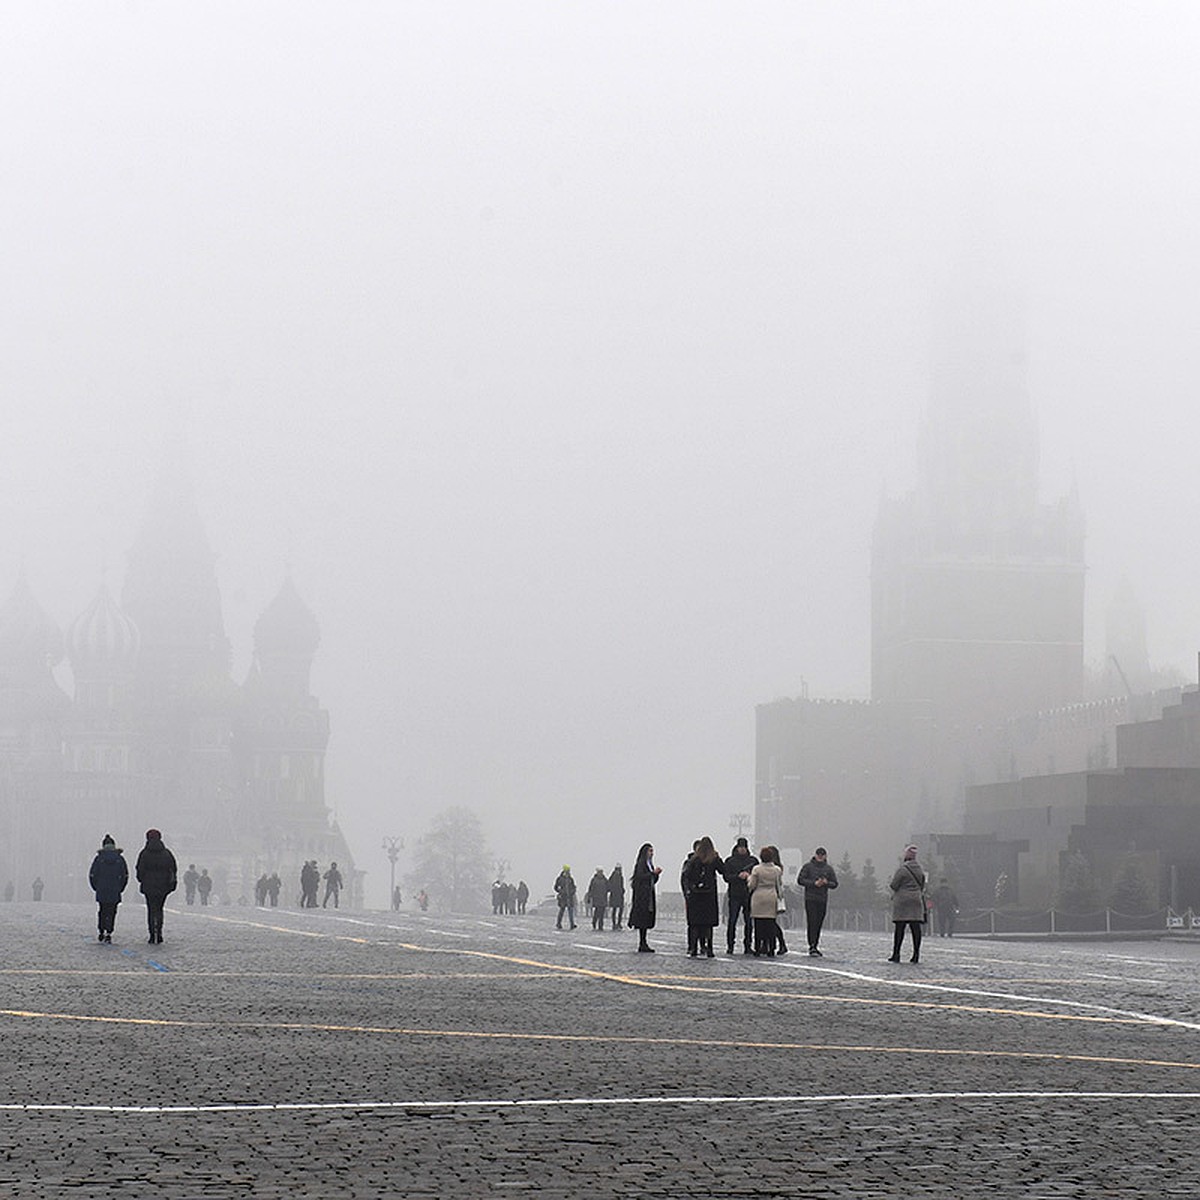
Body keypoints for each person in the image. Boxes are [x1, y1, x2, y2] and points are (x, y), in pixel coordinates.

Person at [682, 836, 724, 957]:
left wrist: (691, 888)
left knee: (696, 923)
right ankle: (709, 948)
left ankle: (694, 948)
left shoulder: (694, 859)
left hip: (696, 895)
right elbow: (723, 871)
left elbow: (687, 875)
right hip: (709, 895)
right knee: (708, 924)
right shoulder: (713, 859)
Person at [135, 828, 177, 945]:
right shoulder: (166, 853)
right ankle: (159, 932)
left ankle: (152, 934)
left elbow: (139, 869)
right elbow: (173, 868)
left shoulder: (144, 853)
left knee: (151, 909)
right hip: (163, 885)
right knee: (159, 909)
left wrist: (142, 880)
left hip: (149, 885)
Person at [796, 846, 838, 957]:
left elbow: (835, 884)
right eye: (818, 855)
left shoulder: (829, 869)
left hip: (822, 899)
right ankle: (812, 945)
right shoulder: (808, 867)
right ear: (815, 855)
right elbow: (800, 880)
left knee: (819, 922)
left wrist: (826, 883)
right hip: (810, 898)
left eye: (822, 855)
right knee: (812, 921)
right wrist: (814, 883)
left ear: (825, 856)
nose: (820, 857)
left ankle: (815, 943)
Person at [888, 845, 927, 964]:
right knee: (916, 928)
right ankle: (916, 954)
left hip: (903, 901)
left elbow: (894, 885)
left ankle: (896, 953)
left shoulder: (902, 870)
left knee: (900, 928)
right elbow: (922, 885)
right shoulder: (920, 870)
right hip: (916, 900)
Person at [89, 834, 128, 943]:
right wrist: (121, 888)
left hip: (102, 889)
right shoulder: (120, 859)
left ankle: (101, 929)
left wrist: (96, 887)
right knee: (112, 911)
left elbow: (93, 874)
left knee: (102, 910)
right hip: (115, 889)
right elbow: (125, 875)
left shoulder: (99, 859)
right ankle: (109, 931)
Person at [746, 846, 784, 956]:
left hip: (758, 897)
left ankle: (758, 948)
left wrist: (749, 878)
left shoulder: (756, 869)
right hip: (771, 897)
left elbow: (752, 885)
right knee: (771, 924)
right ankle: (771, 948)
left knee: (759, 925)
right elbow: (779, 884)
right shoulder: (777, 870)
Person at [723, 837, 758, 954]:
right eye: (740, 847)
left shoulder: (753, 861)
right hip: (735, 894)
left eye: (744, 847)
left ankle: (748, 945)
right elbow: (726, 877)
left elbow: (757, 876)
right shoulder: (730, 861)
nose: (742, 849)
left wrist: (748, 876)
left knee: (749, 922)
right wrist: (737, 876)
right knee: (732, 920)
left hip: (748, 894)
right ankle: (730, 945)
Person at [628, 843, 662, 952]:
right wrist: (652, 873)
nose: (652, 853)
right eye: (650, 851)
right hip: (642, 896)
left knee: (647, 918)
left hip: (649, 894)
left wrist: (656, 875)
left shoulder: (650, 864)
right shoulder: (641, 864)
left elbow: (652, 881)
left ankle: (644, 942)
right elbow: (640, 877)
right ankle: (642, 943)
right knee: (642, 919)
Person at [554, 865, 577, 930]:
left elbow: (573, 887)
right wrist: (560, 891)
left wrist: (572, 891)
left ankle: (572, 924)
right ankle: (558, 923)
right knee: (562, 911)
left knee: (570, 911)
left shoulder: (571, 879)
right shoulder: (560, 879)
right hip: (563, 898)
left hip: (569, 897)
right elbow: (555, 887)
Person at [607, 864, 625, 931]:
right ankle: (617, 923)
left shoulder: (614, 876)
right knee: (618, 910)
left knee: (616, 910)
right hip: (617, 895)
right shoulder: (618, 876)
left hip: (615, 895)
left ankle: (615, 923)